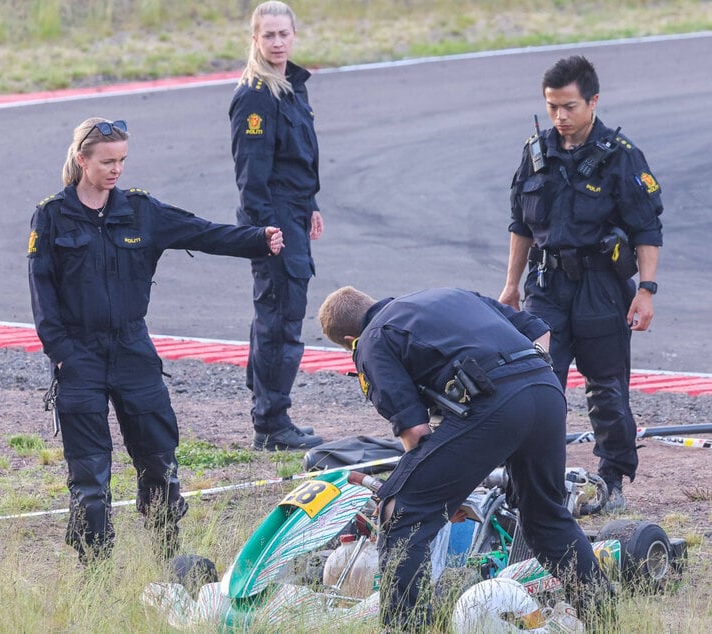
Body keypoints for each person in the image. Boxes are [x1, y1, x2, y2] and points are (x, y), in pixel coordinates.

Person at [27, 117, 286, 563]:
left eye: (122, 161)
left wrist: (257, 240)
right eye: (107, 161)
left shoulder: (141, 211)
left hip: (133, 352)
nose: (116, 170)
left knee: (160, 465)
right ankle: (95, 575)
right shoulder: (52, 215)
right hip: (79, 356)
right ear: (82, 159)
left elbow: (201, 232)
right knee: (89, 478)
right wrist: (63, 354)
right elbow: (41, 293)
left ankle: (169, 558)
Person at [318, 285, 612, 630]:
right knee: (545, 519)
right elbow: (540, 329)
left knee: (399, 510)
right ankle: (603, 618)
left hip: (496, 404)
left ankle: (403, 626)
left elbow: (414, 431)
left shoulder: (372, 340)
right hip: (546, 390)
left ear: (350, 338)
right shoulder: (449, 295)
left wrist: (443, 493)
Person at [498, 55, 664, 512]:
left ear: (593, 101)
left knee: (606, 388)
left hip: (601, 288)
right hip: (546, 287)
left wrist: (646, 290)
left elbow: (647, 229)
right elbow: (521, 226)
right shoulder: (537, 153)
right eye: (552, 106)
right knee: (535, 382)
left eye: (569, 106)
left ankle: (612, 479)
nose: (560, 116)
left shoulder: (621, 156)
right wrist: (511, 287)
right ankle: (531, 483)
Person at [229, 1, 324, 451]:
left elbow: (295, 160)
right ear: (255, 39)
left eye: (284, 34)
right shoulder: (255, 95)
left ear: (294, 35)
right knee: (279, 321)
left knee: (278, 316)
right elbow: (252, 175)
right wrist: (267, 230)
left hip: (294, 212)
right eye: (268, 35)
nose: (278, 42)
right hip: (274, 220)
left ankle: (271, 414)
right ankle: (271, 424)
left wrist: (313, 205)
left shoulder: (291, 87)